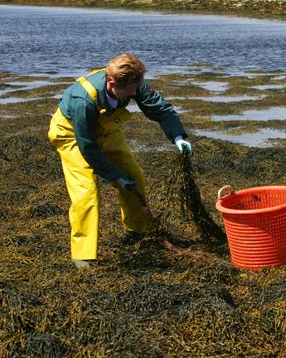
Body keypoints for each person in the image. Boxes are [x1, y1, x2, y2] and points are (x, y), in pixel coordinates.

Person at [47, 53, 192, 268]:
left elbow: (160, 108)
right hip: (72, 135)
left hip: (106, 128)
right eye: (130, 91)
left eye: (136, 88)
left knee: (134, 176)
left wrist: (178, 137)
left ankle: (137, 230)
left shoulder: (133, 81)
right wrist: (115, 176)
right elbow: (88, 147)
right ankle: (82, 255)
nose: (135, 94)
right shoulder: (82, 101)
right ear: (112, 83)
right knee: (86, 193)